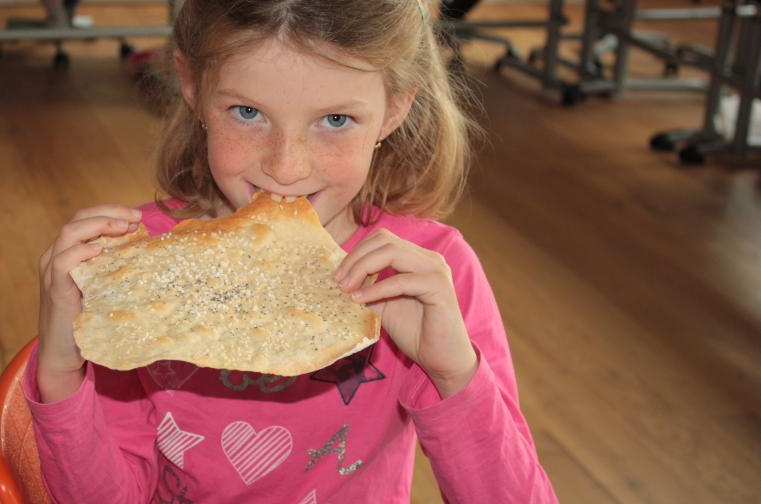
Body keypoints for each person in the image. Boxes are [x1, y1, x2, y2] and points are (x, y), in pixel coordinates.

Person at [28, 0, 558, 501]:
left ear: (395, 108)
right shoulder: (138, 271)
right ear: (192, 85)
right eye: (247, 112)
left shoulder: (429, 279)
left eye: (335, 120)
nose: (286, 168)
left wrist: (453, 375)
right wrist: (60, 369)